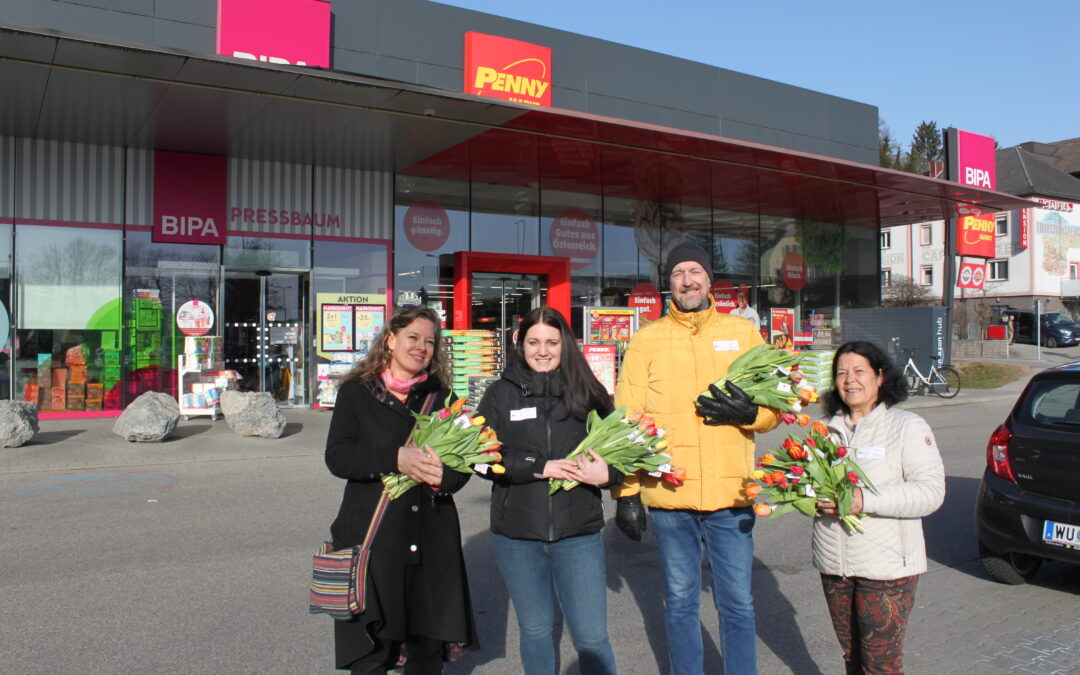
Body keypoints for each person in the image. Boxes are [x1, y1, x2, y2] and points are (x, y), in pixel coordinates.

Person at [612, 240, 780, 675]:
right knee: (681, 601)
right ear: (669, 284)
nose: (687, 280)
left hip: (731, 495)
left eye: (695, 272)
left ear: (709, 279)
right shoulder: (646, 340)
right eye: (678, 274)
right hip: (672, 495)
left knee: (738, 603)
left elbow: (776, 404)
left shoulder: (742, 334)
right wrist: (628, 492)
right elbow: (627, 421)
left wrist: (753, 413)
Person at [324, 307, 477, 674]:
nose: (422, 347)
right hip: (374, 538)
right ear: (390, 340)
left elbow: (464, 466)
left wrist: (443, 474)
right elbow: (339, 457)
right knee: (371, 650)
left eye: (429, 341)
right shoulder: (356, 394)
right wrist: (396, 459)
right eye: (413, 337)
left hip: (431, 537)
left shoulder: (444, 399)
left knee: (426, 648)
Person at [477, 306, 620, 675]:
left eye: (552, 342)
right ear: (520, 344)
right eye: (534, 342)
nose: (543, 350)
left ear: (565, 345)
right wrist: (538, 468)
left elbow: (625, 449)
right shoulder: (499, 395)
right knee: (536, 630)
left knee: (591, 638)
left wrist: (610, 476)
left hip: (579, 534)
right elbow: (479, 459)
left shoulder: (589, 392)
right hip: (518, 536)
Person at [815, 340, 945, 674]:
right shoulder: (828, 430)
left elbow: (930, 492)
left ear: (880, 377)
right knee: (851, 657)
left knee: (881, 663)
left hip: (887, 568)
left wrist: (863, 500)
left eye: (859, 371)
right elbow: (813, 487)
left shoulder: (907, 427)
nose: (849, 380)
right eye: (841, 373)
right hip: (835, 564)